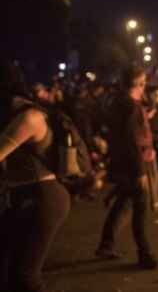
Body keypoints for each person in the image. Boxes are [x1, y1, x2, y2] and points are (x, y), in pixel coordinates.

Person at [0, 61, 71, 291]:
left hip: (41, 197)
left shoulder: (28, 117)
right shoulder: (13, 114)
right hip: (23, 197)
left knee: (24, 276)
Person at [95, 66, 158, 270]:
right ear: (139, 83)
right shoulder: (132, 107)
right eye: (143, 82)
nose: (144, 86)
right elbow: (130, 140)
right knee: (140, 211)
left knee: (121, 203)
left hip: (122, 164)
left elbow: (126, 132)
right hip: (134, 166)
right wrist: (140, 171)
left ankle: (106, 244)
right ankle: (144, 253)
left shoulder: (120, 104)